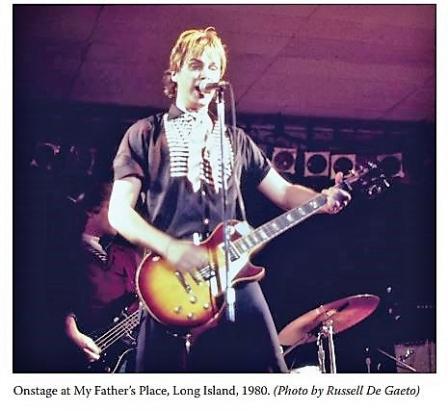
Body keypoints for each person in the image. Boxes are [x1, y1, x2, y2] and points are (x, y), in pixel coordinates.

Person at [108, 27, 350, 373]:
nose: (205, 75)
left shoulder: (237, 141)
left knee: (270, 375)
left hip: (235, 274)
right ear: (175, 73)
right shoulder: (146, 134)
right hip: (170, 280)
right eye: (195, 65)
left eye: (212, 68)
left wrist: (321, 198)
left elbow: (283, 192)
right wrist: (170, 247)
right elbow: (119, 213)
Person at [64, 182, 142, 372]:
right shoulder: (67, 255)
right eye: (114, 207)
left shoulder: (129, 255)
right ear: (92, 209)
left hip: (136, 354)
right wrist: (71, 332)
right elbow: (55, 300)